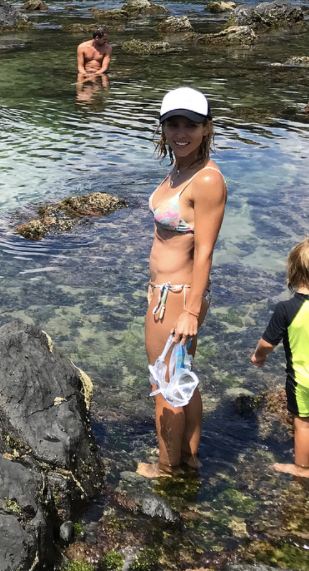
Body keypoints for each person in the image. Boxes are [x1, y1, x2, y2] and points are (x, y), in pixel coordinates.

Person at [139, 87, 227, 478]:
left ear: (207, 128)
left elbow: (205, 251)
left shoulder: (206, 181)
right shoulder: (180, 170)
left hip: (176, 299)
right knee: (182, 380)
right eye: (173, 124)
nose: (181, 132)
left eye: (190, 125)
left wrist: (190, 311)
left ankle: (166, 469)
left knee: (165, 386)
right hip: (168, 294)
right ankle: (189, 460)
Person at [251, 239, 309, 478]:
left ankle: (302, 468)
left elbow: (267, 343)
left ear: (292, 273)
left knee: (303, 423)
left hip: (302, 380)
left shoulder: (286, 309)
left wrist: (258, 356)